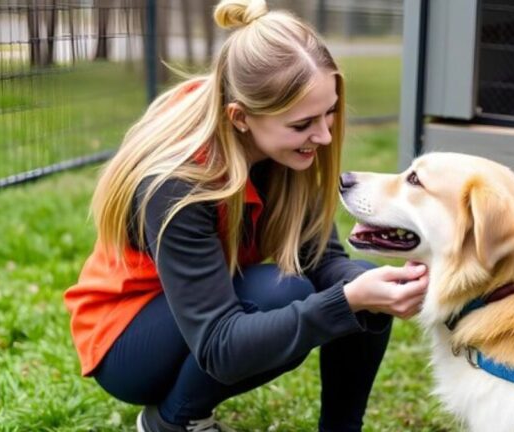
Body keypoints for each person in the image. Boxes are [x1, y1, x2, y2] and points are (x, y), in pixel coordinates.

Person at [63, 1, 429, 431]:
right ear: (239, 117)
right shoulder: (177, 183)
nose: (325, 135)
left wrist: (367, 290)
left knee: (358, 282)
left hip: (204, 313)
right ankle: (172, 421)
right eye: (303, 124)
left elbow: (322, 260)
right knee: (284, 292)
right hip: (129, 339)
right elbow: (220, 346)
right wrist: (345, 301)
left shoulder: (286, 147)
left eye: (329, 112)